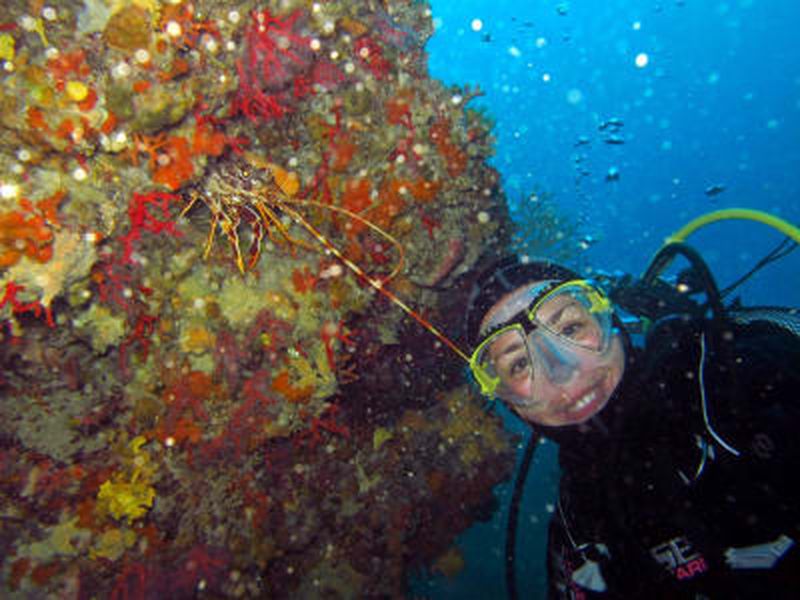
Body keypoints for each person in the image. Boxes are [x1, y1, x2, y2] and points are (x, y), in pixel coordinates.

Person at [463, 254, 800, 599]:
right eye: (519, 363)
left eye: (570, 328)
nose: (562, 373)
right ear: (509, 403)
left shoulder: (737, 379)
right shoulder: (582, 528)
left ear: (611, 319)